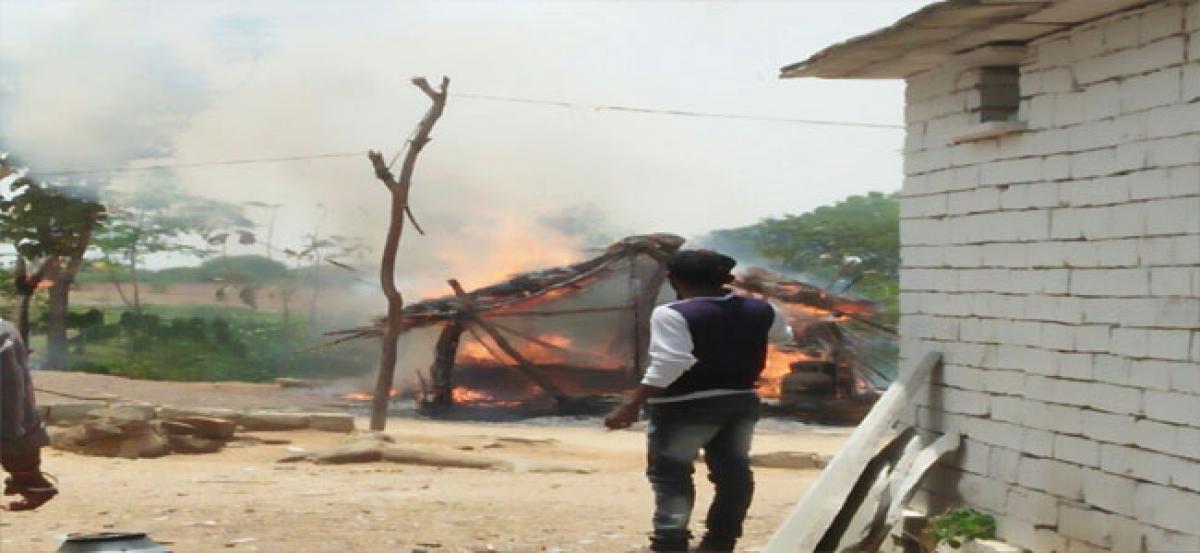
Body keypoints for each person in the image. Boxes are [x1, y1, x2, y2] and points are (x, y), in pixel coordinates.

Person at [605, 250, 793, 553]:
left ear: (672, 279)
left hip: (684, 406)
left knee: (671, 475)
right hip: (740, 401)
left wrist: (631, 404)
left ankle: (670, 542)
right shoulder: (763, 309)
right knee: (733, 473)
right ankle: (721, 542)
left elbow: (671, 363)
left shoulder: (673, 313)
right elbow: (783, 337)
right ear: (728, 279)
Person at [0, 318, 57, 511]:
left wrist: (12, 432)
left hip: (14, 427)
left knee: (15, 433)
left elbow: (10, 391)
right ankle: (33, 485)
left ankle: (33, 485)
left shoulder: (3, 335)